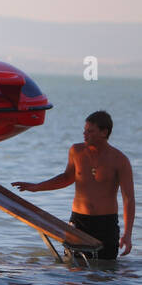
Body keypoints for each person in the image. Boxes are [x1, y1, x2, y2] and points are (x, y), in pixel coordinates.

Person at [14, 111, 133, 259]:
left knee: (105, 272)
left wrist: (127, 235)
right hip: (79, 222)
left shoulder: (120, 160)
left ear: (104, 132)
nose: (85, 134)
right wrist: (37, 187)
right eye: (84, 130)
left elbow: (128, 198)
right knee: (74, 272)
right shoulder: (76, 151)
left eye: (90, 131)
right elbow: (66, 178)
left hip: (106, 224)